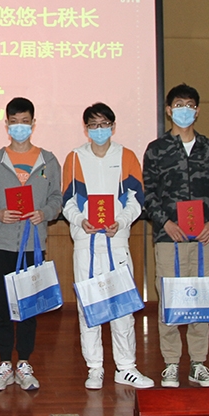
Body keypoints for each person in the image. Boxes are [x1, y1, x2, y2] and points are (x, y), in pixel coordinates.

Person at [62, 102, 153, 390]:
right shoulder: (74, 158)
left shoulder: (126, 156)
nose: (98, 130)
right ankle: (95, 367)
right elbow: (67, 201)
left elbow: (136, 199)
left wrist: (122, 222)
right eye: (93, 125)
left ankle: (126, 367)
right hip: (85, 243)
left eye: (104, 124)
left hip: (116, 241)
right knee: (88, 306)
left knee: (122, 307)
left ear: (113, 127)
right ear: (86, 129)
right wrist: (80, 220)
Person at [142, 84, 209, 388]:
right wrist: (165, 223)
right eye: (178, 105)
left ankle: (198, 363)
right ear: (169, 110)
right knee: (170, 297)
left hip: (203, 238)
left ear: (197, 110)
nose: (184, 110)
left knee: (201, 296)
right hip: (169, 238)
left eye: (190, 105)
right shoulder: (156, 149)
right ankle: (170, 362)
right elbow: (149, 193)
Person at [0, 97, 63, 391]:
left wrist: (46, 213)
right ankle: (5, 363)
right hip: (1, 244)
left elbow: (57, 197)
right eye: (14, 122)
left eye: (25, 122)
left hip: (33, 245)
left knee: (29, 308)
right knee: (2, 307)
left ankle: (25, 362)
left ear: (33, 123)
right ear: (6, 124)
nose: (20, 127)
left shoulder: (48, 161)